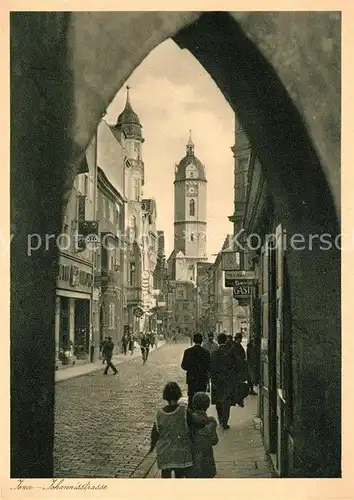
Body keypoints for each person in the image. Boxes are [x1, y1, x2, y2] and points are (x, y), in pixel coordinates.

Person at [149, 382, 193, 478]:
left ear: (165, 396)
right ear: (178, 395)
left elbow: (155, 432)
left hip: (164, 451)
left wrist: (152, 446)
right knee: (179, 474)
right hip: (181, 450)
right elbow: (192, 426)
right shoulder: (184, 411)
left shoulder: (160, 413)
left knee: (165, 476)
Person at [210, 333, 248, 429]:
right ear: (226, 340)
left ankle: (220, 418)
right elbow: (238, 365)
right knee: (226, 401)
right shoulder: (231, 353)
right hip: (229, 380)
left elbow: (211, 369)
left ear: (218, 341)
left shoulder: (214, 354)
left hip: (217, 381)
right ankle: (224, 421)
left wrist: (212, 381)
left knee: (218, 401)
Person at [187, 392, 218, 478]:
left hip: (192, 462)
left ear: (193, 404)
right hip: (207, 463)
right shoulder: (211, 421)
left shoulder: (189, 421)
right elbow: (214, 441)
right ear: (207, 406)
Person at [181, 333, 210, 409]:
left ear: (193, 340)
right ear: (202, 341)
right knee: (202, 400)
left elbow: (183, 365)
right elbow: (209, 367)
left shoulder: (187, 351)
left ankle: (192, 418)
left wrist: (191, 369)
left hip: (191, 379)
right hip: (202, 380)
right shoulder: (206, 353)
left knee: (191, 399)